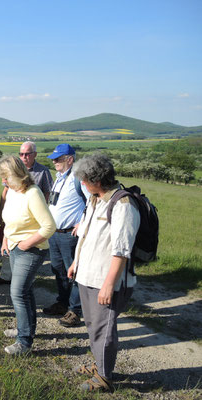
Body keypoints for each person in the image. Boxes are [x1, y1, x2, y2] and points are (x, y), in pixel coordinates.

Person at [68, 153, 140, 393]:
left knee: (103, 328)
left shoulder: (122, 204)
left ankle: (104, 378)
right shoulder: (96, 199)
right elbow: (87, 235)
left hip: (105, 280)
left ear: (96, 179)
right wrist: (75, 263)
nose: (83, 185)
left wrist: (109, 284)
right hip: (87, 275)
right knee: (92, 325)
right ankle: (99, 365)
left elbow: (121, 250)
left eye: (85, 180)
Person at [0, 155, 56, 355]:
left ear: (15, 174)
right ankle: (24, 329)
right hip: (14, 247)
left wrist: (24, 244)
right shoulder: (13, 191)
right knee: (25, 291)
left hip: (31, 250)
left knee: (18, 292)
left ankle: (24, 342)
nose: (3, 181)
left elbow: (49, 227)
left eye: (5, 177)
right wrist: (6, 239)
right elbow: (10, 220)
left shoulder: (33, 193)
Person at [0, 141, 54, 285]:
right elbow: (6, 192)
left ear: (35, 155)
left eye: (27, 154)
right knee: (20, 289)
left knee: (19, 290)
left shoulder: (42, 172)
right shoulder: (11, 178)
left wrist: (25, 245)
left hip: (30, 228)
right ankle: (6, 276)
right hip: (14, 228)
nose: (24, 157)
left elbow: (46, 194)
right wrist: (2, 212)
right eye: (21, 154)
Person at [42, 144, 89, 328]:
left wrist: (82, 222)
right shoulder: (59, 177)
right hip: (55, 233)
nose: (54, 162)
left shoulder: (78, 177)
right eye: (54, 158)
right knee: (58, 270)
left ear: (70, 159)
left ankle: (75, 310)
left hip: (70, 234)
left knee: (74, 273)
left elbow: (93, 201)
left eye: (58, 158)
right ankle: (62, 303)